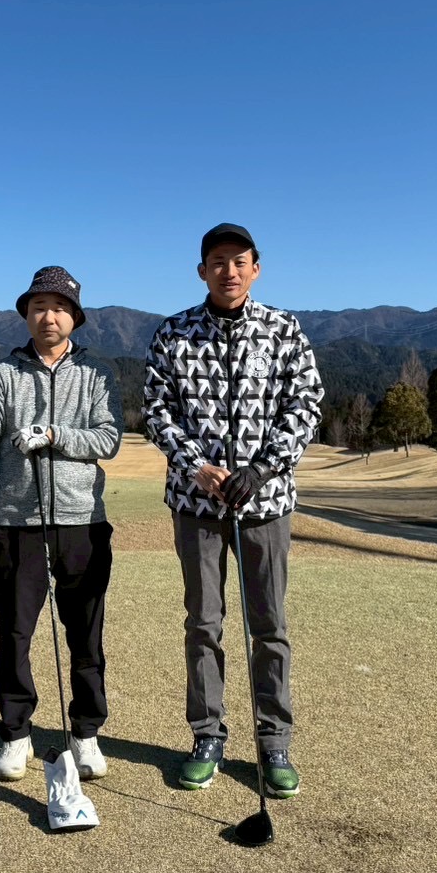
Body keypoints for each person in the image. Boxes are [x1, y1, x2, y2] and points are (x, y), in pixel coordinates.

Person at [143, 223, 323, 797]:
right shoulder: (174, 333)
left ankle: (274, 741)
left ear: (256, 268)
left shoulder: (283, 330)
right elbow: (156, 411)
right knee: (204, 623)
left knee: (269, 625)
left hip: (265, 504)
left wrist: (263, 468)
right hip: (196, 503)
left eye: (239, 261)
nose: (229, 271)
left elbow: (306, 404)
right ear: (202, 271)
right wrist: (196, 465)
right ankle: (207, 736)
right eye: (218, 262)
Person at [0, 266, 122, 783]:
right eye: (38, 307)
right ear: (26, 315)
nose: (48, 317)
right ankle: (15, 734)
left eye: (59, 308)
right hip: (16, 522)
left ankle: (86, 732)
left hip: (82, 520)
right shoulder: (3, 374)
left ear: (74, 317)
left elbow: (108, 439)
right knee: (15, 633)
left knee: (86, 634)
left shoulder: (96, 374)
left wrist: (54, 434)